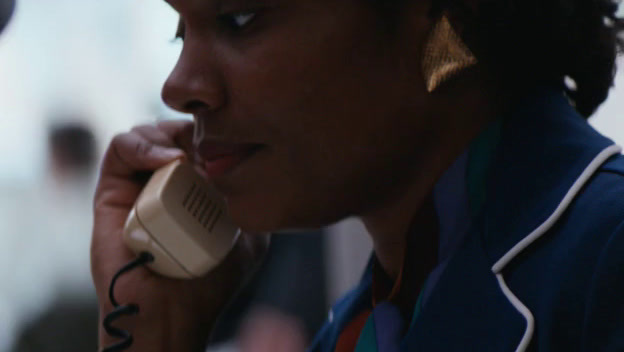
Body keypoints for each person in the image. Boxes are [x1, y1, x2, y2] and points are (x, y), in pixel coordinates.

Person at [90, 0, 624, 351]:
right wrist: (156, 337)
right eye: (180, 33)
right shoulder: (358, 328)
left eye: (239, 17)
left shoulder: (606, 263)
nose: (179, 86)